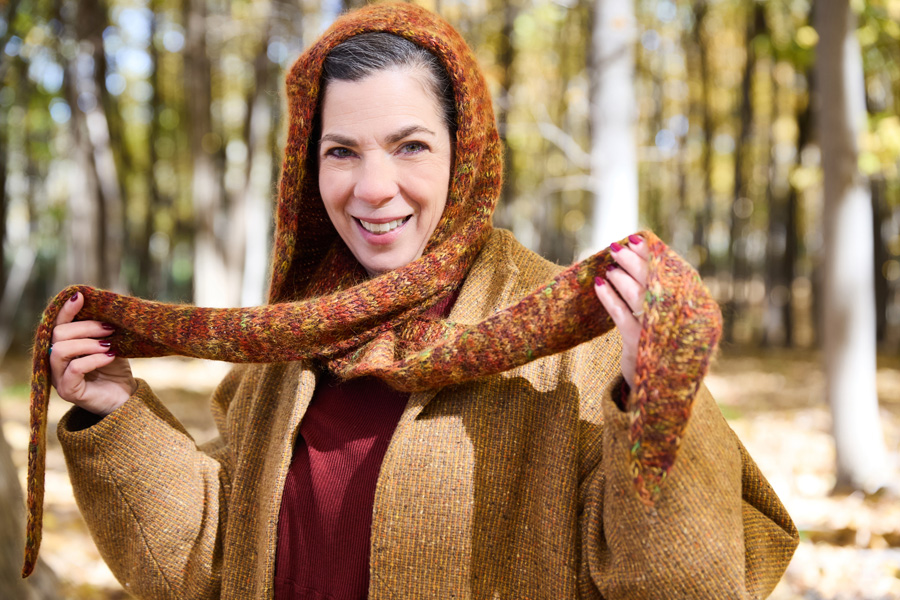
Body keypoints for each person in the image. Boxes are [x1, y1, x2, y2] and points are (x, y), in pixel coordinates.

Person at [46, 3, 797, 599]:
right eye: (342, 152)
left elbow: (686, 584)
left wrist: (653, 398)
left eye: (410, 146)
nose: (373, 188)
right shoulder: (289, 346)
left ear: (464, 153)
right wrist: (115, 411)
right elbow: (212, 561)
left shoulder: (583, 343)